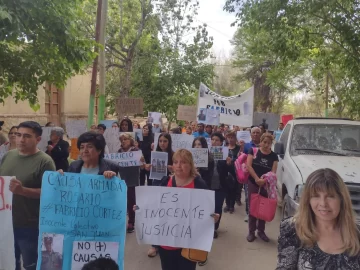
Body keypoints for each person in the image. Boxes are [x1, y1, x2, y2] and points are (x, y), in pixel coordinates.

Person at [277, 168, 360, 269]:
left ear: (342, 199)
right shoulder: (293, 230)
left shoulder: (357, 233)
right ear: (308, 200)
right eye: (316, 196)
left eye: (330, 196)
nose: (323, 203)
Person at [0, 121, 56, 270]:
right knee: (9, 263)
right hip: (5, 224)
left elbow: (50, 194)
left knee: (32, 265)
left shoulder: (45, 162)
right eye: (18, 135)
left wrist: (23, 190)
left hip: (30, 226)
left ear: (38, 139)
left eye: (26, 136)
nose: (21, 139)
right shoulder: (8, 156)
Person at [152, 149, 219, 270]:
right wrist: (141, 209)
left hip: (189, 243)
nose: (178, 166)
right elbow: (154, 207)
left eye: (183, 162)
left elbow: (207, 211)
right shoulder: (165, 182)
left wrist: (212, 218)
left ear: (190, 164)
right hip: (167, 242)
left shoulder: (199, 184)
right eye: (176, 162)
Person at [145, 133, 174, 258]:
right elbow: (146, 168)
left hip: (170, 186)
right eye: (160, 141)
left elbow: (180, 170)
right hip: (156, 185)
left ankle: (167, 242)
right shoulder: (154, 154)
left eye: (165, 141)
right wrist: (146, 167)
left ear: (169, 142)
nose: (162, 143)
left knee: (168, 215)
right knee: (156, 215)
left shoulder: (174, 155)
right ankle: (154, 244)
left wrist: (172, 168)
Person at [246, 133, 278, 242]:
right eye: (264, 142)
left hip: (266, 185)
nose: (266, 145)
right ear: (261, 141)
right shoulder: (253, 151)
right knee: (253, 207)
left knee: (263, 207)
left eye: (269, 143)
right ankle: (251, 232)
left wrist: (264, 181)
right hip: (253, 182)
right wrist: (256, 179)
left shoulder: (274, 156)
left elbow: (273, 172)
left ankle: (261, 231)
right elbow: (248, 166)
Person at [118, 133, 144, 233]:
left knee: (132, 202)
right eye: (122, 140)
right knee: (124, 202)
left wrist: (141, 161)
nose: (123, 141)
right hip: (122, 179)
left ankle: (132, 222)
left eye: (125, 139)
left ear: (130, 141)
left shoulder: (136, 151)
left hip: (133, 180)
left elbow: (142, 167)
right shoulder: (119, 152)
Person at [209, 132, 228, 239]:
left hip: (220, 186)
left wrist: (228, 163)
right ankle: (207, 226)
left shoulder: (225, 154)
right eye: (213, 139)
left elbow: (229, 171)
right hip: (208, 185)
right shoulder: (205, 153)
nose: (214, 142)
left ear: (221, 142)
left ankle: (214, 228)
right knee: (208, 207)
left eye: (217, 140)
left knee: (217, 207)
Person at [243, 126, 262, 222]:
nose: (255, 134)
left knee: (260, 196)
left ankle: (259, 214)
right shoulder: (246, 146)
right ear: (250, 134)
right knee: (248, 195)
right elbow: (242, 159)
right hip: (249, 175)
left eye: (257, 133)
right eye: (253, 132)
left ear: (260, 134)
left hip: (261, 175)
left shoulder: (264, 145)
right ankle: (248, 213)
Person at [223, 131, 241, 214]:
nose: (230, 139)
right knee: (226, 189)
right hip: (225, 171)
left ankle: (232, 206)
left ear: (235, 138)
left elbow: (240, 159)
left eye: (232, 137)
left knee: (233, 189)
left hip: (235, 171)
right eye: (229, 137)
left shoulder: (239, 148)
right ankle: (227, 204)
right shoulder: (224, 147)